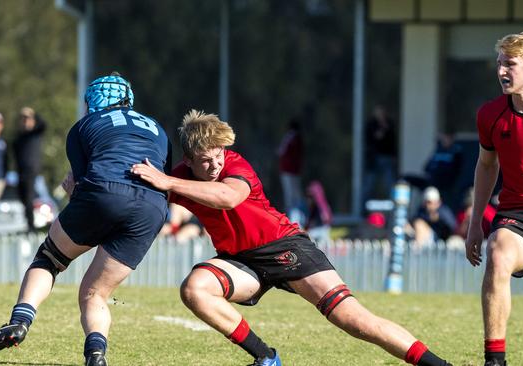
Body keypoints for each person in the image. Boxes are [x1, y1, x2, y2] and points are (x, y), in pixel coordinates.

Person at [131, 110, 452, 366]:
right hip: (241, 262)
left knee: (354, 320)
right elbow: (139, 197)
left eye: (219, 155)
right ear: (188, 160)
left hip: (285, 246)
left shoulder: (234, 164)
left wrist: (168, 183)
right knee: (194, 289)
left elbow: (227, 198)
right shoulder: (178, 178)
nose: (216, 164)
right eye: (206, 160)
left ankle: (438, 365)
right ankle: (266, 357)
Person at [0, 73, 170, 366]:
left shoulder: (84, 126)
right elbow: (165, 179)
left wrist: (74, 194)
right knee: (95, 293)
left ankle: (20, 322)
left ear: (92, 102)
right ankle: (96, 355)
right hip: (152, 209)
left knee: (49, 259)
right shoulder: (158, 128)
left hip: (104, 193)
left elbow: (78, 185)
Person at [465, 31, 523, 366]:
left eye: (511, 64)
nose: (502, 71)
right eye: (499, 64)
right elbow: (487, 166)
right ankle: (495, 361)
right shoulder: (490, 114)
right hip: (518, 214)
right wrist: (476, 224)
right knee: (499, 254)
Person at [13, 107, 46, 232]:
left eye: (28, 119)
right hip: (20, 171)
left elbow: (43, 124)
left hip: (31, 170)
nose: (25, 121)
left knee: (28, 197)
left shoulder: (35, 133)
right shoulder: (19, 138)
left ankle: (31, 227)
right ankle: (29, 223)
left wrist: (33, 113)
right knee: (22, 196)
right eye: (23, 119)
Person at [363, 105, 397, 202]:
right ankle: (363, 209)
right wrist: (382, 128)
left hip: (387, 157)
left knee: (389, 183)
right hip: (374, 159)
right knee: (369, 184)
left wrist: (394, 156)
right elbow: (374, 138)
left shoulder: (389, 124)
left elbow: (392, 142)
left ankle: (393, 207)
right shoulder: (371, 124)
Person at [277, 117, 303, 218]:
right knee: (296, 195)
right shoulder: (299, 138)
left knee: (289, 195)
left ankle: (293, 217)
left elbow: (281, 151)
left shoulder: (289, 137)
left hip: (287, 169)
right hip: (295, 170)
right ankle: (298, 216)